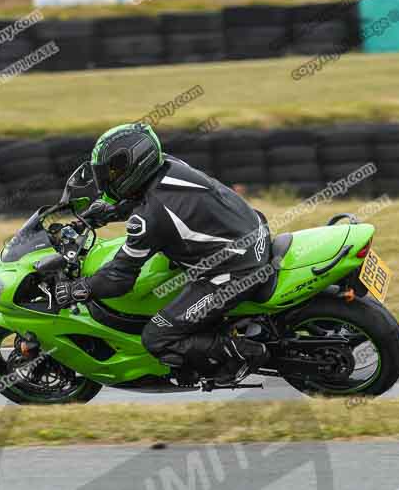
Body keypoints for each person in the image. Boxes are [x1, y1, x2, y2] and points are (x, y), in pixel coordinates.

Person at [54, 123, 270, 384]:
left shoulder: (148, 220)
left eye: (113, 171)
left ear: (135, 165)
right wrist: (108, 212)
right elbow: (152, 202)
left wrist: (79, 288)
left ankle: (244, 354)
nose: (107, 179)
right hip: (253, 233)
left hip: (235, 271)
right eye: (105, 173)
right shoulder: (169, 165)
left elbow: (119, 278)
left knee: (157, 336)